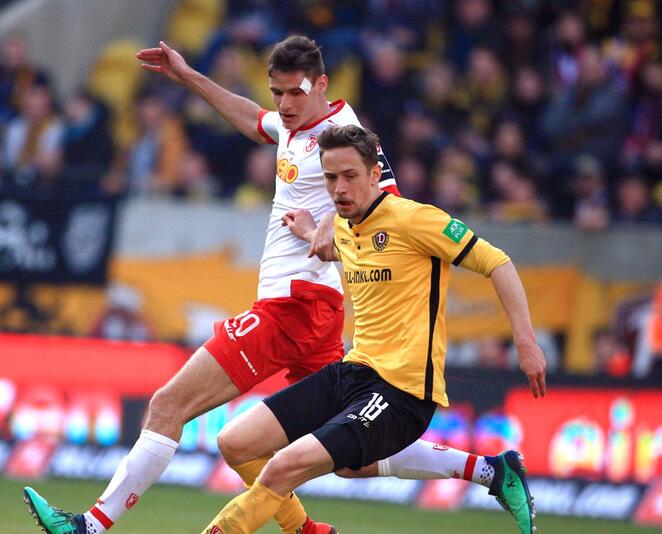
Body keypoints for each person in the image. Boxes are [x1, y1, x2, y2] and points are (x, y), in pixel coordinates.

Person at [23, 36, 531, 534]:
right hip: (317, 310)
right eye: (277, 93)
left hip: (294, 304)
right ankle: (489, 471)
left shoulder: (345, 131)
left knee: (168, 405)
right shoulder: (294, 125)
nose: (285, 105)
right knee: (352, 453)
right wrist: (188, 76)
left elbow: (385, 199)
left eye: (295, 93)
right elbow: (253, 120)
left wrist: (330, 227)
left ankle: (90, 526)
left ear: (322, 85)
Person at [201, 124, 546, 534]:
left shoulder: (416, 220)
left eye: (349, 176)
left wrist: (526, 344)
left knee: (285, 466)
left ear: (372, 174)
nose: (339, 188)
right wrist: (312, 231)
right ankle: (492, 472)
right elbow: (346, 249)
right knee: (236, 443)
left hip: (403, 391)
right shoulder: (346, 228)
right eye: (331, 178)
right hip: (353, 374)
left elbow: (498, 262)